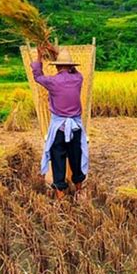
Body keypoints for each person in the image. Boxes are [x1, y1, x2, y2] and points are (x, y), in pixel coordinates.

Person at [31, 47, 89, 200]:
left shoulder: (52, 81)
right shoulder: (78, 79)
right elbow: (75, 72)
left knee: (58, 160)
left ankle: (60, 195)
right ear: (71, 66)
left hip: (59, 129)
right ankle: (78, 189)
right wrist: (55, 51)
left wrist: (39, 55)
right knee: (76, 157)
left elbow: (37, 76)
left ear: (56, 66)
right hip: (74, 128)